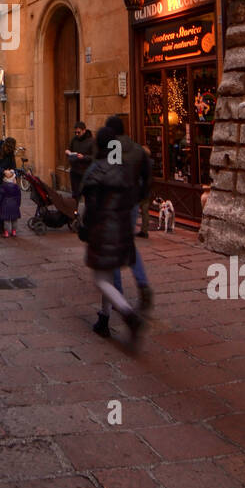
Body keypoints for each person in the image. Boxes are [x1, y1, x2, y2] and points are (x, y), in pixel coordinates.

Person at [79, 126, 144, 346]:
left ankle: (128, 314)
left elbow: (88, 204)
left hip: (102, 229)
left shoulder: (96, 169)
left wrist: (84, 226)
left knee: (100, 279)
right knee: (107, 276)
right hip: (122, 229)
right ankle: (104, 319)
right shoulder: (123, 169)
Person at [104, 115, 154, 313]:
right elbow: (147, 174)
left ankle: (117, 291)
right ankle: (142, 283)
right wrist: (141, 197)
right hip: (132, 202)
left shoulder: (113, 147)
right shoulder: (136, 147)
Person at [65, 121, 95, 200]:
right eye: (75, 132)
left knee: (88, 195)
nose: (77, 134)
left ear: (84, 130)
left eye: (79, 132)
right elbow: (69, 149)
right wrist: (68, 152)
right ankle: (74, 211)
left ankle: (89, 211)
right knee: (75, 194)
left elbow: (94, 157)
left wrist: (84, 157)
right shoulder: (74, 140)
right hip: (75, 171)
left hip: (86, 172)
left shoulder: (91, 141)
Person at [0, 168, 22, 239]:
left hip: (5, 204)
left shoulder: (3, 186)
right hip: (14, 204)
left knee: (6, 220)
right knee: (14, 219)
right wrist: (18, 204)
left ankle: (6, 232)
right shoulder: (16, 187)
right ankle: (14, 231)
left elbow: (0, 196)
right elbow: (19, 196)